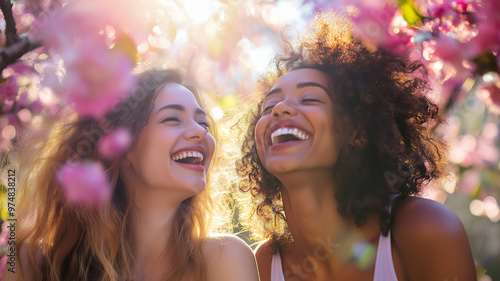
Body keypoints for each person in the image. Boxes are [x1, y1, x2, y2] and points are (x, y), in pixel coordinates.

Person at [236, 11, 477, 281]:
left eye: (310, 99)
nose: (279, 109)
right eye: (269, 106)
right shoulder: (266, 265)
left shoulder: (423, 229)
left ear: (357, 130)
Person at [3, 68, 259, 281]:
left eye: (203, 123)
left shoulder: (226, 260)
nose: (201, 133)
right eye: (172, 119)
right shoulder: (33, 266)